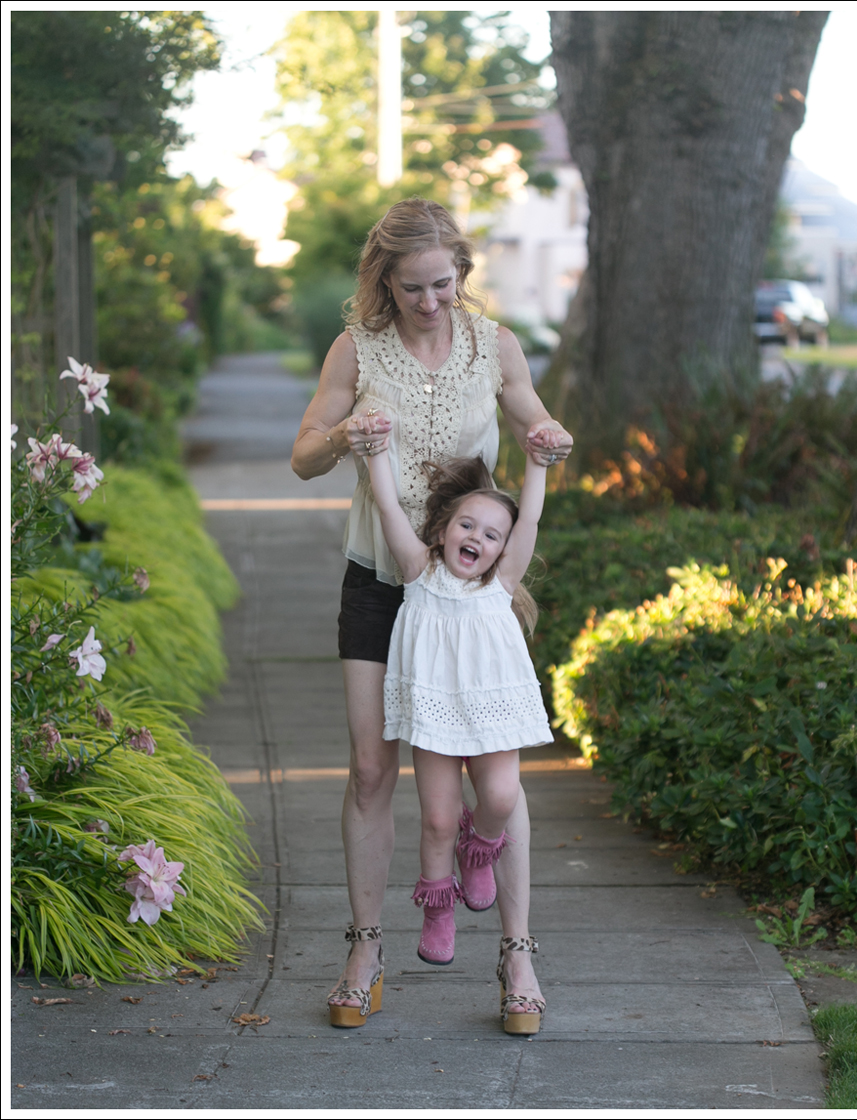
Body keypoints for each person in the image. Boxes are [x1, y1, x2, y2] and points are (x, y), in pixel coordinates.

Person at [290, 198, 572, 1032]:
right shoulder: (356, 348)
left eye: (443, 284)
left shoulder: (496, 345)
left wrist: (550, 438)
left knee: (499, 773)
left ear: (462, 274)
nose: (429, 301)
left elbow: (535, 423)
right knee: (374, 770)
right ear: (385, 281)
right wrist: (347, 431)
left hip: (473, 599)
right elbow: (305, 454)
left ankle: (517, 956)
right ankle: (368, 947)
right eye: (411, 287)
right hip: (382, 582)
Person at [368, 450, 552, 1033]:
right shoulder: (418, 573)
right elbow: (389, 505)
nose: (478, 538)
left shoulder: (502, 583)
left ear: (502, 550)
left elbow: (530, 521)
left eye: (491, 534)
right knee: (438, 820)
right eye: (467, 525)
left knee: (500, 796)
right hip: (437, 712)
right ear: (444, 530)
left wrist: (538, 462)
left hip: (492, 707)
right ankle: (438, 910)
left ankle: (483, 847)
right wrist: (375, 455)